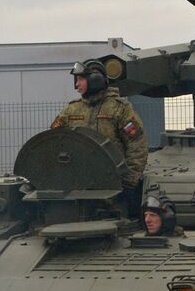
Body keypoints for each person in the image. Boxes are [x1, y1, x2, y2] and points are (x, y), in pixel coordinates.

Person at [52, 60, 148, 215]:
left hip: (114, 187)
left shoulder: (119, 108)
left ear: (95, 80)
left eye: (80, 79)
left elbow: (136, 145)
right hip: (78, 186)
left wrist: (129, 181)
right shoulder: (71, 110)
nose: (77, 84)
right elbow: (55, 141)